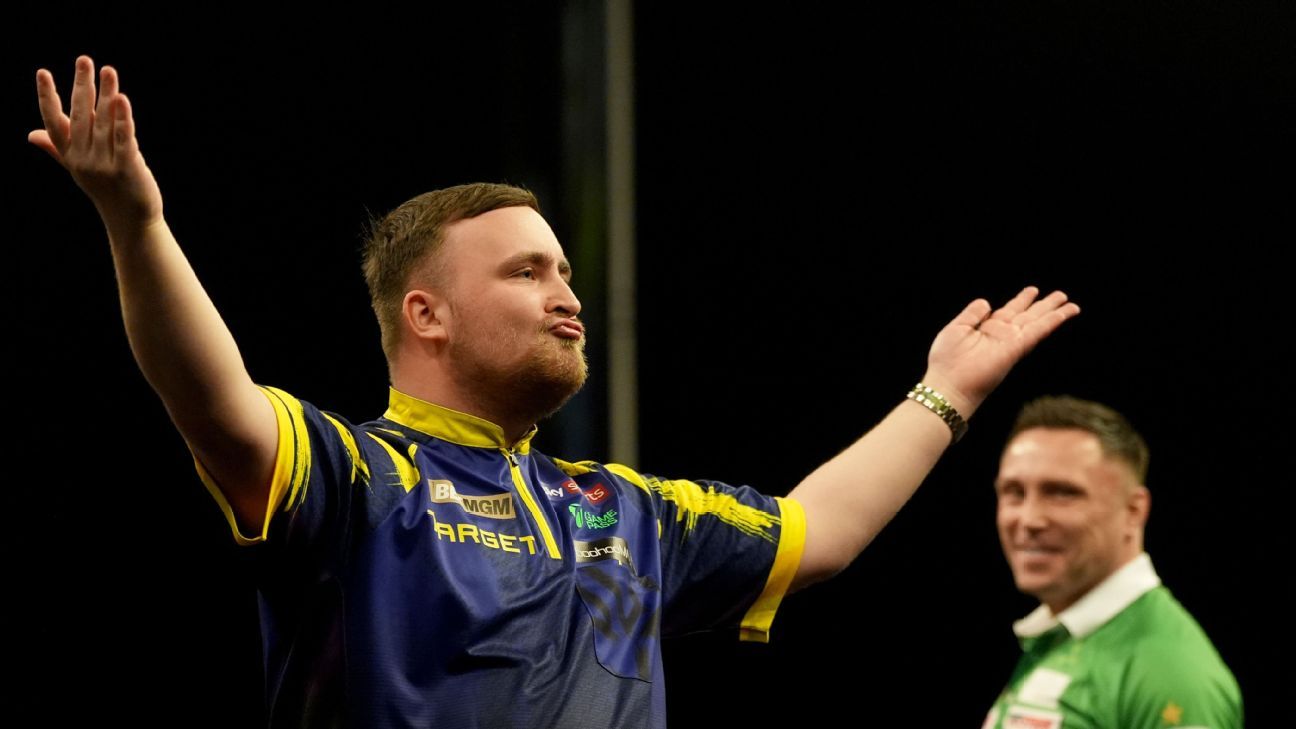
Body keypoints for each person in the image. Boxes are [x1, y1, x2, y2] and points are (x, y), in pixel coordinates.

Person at [32, 56, 1079, 728]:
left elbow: (820, 533)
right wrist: (135, 222)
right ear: (427, 313)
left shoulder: (625, 512)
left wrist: (944, 392)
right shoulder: (359, 479)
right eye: (527, 272)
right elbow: (212, 395)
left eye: (566, 271)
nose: (567, 295)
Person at [984, 396, 1242, 729]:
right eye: (1014, 492)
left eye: (1062, 492)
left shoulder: (1171, 675)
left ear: (1134, 511)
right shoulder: (1065, 636)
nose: (1029, 519)